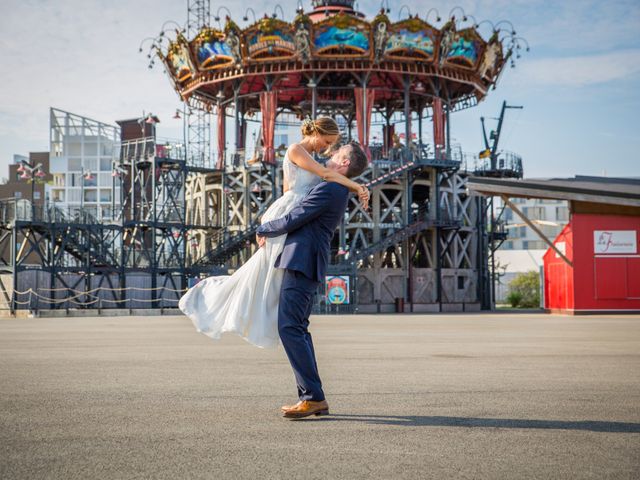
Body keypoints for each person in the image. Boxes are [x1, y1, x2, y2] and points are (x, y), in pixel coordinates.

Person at [179, 117, 369, 349]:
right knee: (263, 270)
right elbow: (321, 177)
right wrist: (357, 186)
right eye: (326, 141)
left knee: (264, 272)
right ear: (317, 133)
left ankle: (263, 313)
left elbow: (303, 182)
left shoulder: (312, 159)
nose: (327, 147)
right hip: (288, 210)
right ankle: (229, 304)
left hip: (293, 211)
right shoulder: (296, 149)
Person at [255, 141, 369, 418]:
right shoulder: (332, 186)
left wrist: (263, 227)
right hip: (304, 261)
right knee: (297, 328)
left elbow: (296, 217)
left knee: (290, 328)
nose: (330, 154)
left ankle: (313, 397)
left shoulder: (332, 188)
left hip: (302, 261)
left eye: (336, 153)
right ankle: (313, 397)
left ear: (343, 163)